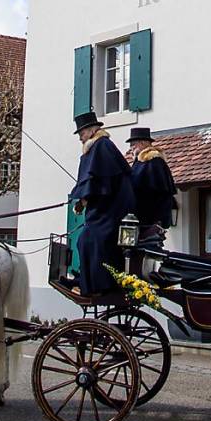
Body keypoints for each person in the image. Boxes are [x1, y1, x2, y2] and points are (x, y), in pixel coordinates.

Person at [69, 111, 135, 295]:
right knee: (84, 240)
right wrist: (84, 200)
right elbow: (95, 182)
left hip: (111, 212)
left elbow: (102, 183)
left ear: (91, 131)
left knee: (89, 240)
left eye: (82, 133)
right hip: (104, 209)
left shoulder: (101, 147)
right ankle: (86, 280)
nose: (80, 138)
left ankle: (97, 285)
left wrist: (85, 199)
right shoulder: (96, 148)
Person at [126, 126, 176, 249]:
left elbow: (155, 194)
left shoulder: (153, 162)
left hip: (148, 222)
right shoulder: (140, 163)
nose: (131, 148)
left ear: (142, 143)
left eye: (133, 144)